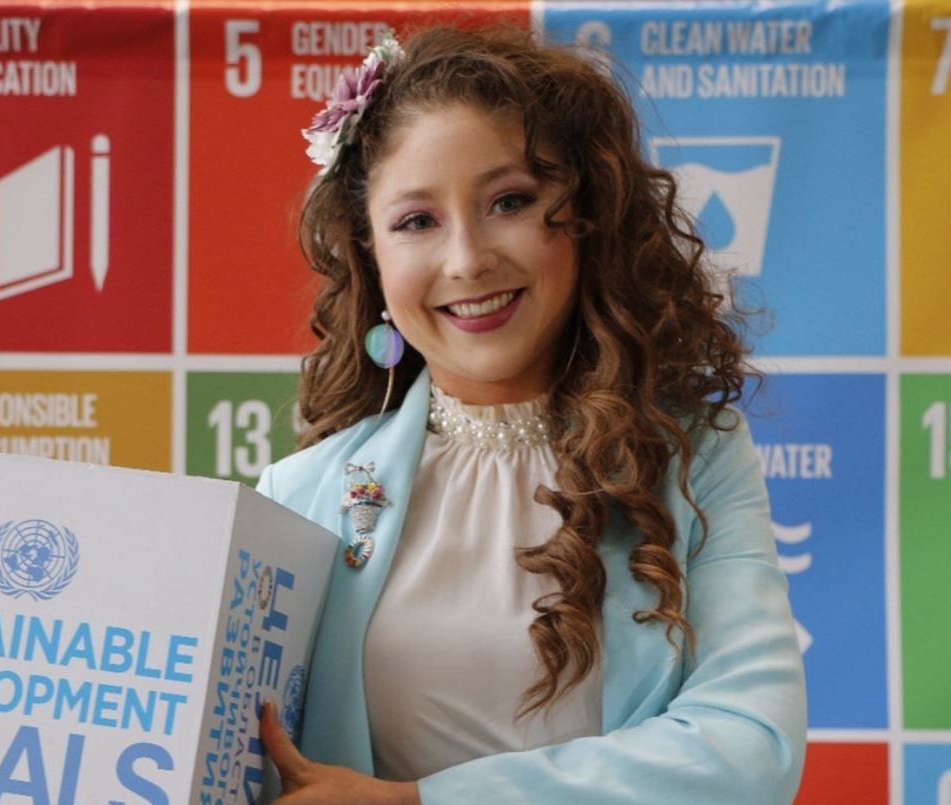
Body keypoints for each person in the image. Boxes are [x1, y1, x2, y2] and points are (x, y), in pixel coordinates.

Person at [254, 25, 807, 805]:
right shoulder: (297, 491)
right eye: (417, 221)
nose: (468, 259)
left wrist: (417, 803)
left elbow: (753, 748)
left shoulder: (695, 455)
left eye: (509, 201)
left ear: (589, 221)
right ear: (369, 257)